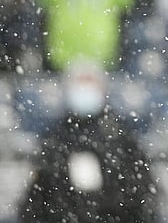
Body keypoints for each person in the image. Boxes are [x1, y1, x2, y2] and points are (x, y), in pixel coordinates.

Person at [19, 59, 158, 223]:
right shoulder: (54, 140)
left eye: (90, 83)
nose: (84, 90)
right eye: (79, 84)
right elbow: (36, 201)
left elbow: (143, 198)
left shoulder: (122, 138)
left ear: (103, 89)